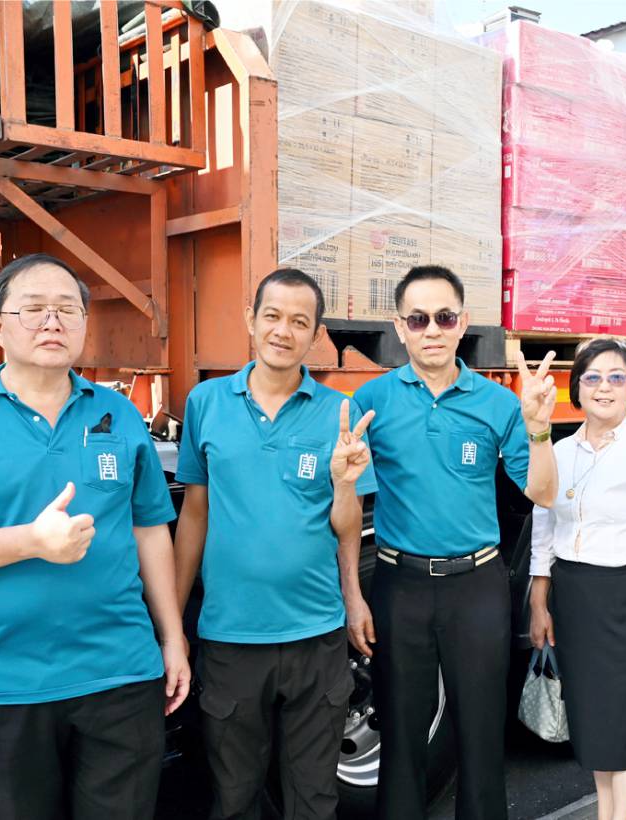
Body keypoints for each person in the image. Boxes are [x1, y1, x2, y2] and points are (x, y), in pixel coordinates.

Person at [0, 254, 187, 820]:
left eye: (67, 310)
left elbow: (149, 529)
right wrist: (30, 542)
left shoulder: (117, 414)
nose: (52, 322)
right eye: (33, 309)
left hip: (120, 674)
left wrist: (173, 637)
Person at [351, 265, 558, 820]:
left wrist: (539, 427)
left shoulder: (497, 403)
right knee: (401, 734)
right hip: (400, 585)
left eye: (444, 317)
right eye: (418, 319)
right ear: (400, 328)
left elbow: (543, 492)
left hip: (477, 586)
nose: (432, 330)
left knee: (482, 733)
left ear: (463, 323)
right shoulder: (372, 400)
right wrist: (352, 593)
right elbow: (345, 501)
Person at [171, 268, 366, 820]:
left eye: (300, 322)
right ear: (250, 320)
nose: (284, 331)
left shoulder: (338, 413)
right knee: (234, 798)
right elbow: (195, 514)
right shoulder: (207, 402)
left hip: (316, 636)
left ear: (316, 335)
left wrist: (354, 596)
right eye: (273, 316)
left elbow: (346, 524)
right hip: (231, 637)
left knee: (314, 799)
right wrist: (174, 622)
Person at [525, 338, 626, 820]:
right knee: (596, 721)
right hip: (576, 599)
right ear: (576, 388)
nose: (604, 387)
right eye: (593, 377)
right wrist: (539, 600)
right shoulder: (558, 451)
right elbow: (543, 527)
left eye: (617, 377)